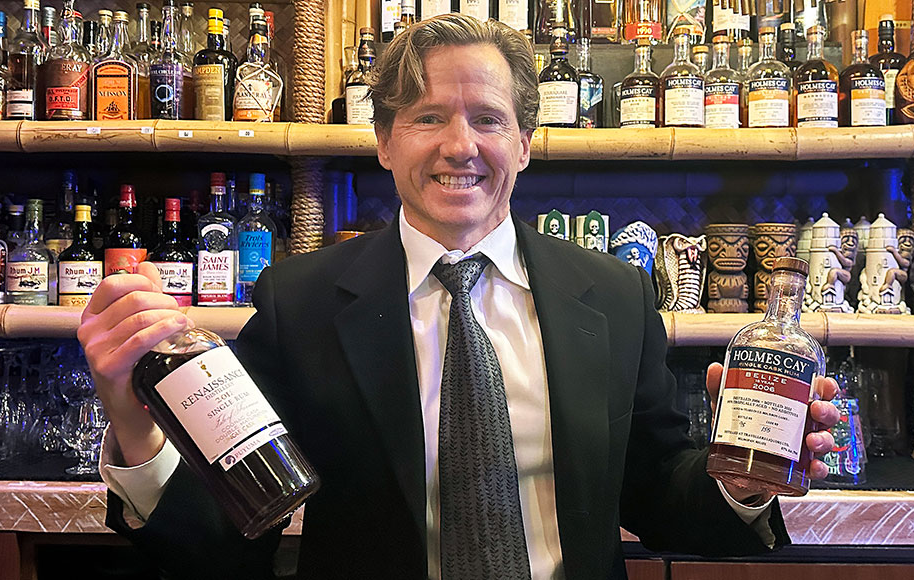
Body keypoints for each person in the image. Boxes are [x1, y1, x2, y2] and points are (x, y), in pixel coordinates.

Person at [78, 14, 839, 580]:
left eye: (488, 120)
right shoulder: (298, 303)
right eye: (428, 117)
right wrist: (130, 419)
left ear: (526, 144)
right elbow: (229, 533)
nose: (460, 146)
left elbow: (655, 489)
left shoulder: (613, 295)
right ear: (384, 141)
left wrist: (736, 484)